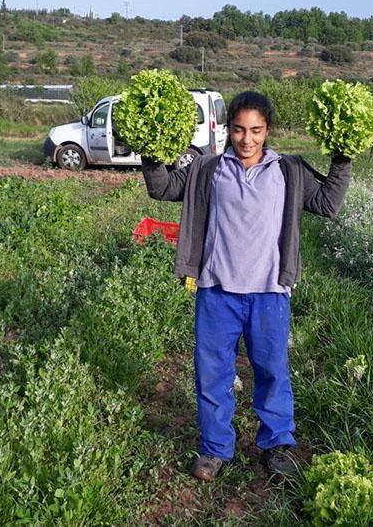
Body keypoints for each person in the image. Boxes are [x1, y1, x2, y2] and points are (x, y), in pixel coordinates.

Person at [141, 91, 352, 481]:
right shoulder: (207, 168)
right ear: (228, 129)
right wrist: (150, 151)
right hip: (216, 289)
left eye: (256, 130)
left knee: (272, 370)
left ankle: (276, 445)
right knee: (212, 373)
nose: (247, 139)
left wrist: (343, 157)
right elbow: (163, 188)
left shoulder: (288, 170)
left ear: (267, 130)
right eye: (239, 129)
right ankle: (215, 449)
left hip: (268, 292)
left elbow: (327, 203)